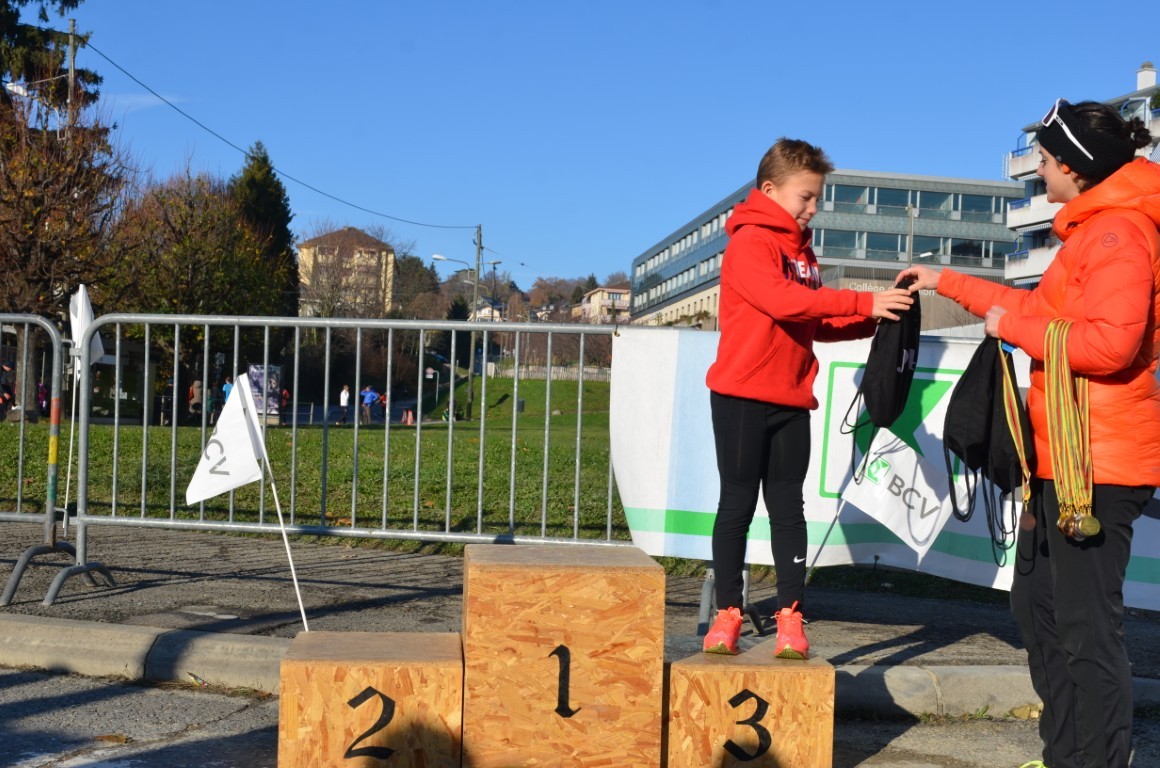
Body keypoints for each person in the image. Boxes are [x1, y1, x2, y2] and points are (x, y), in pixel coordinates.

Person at [898, 99, 1159, 768]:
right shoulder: (1093, 232)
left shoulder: (1118, 235)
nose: (1038, 172)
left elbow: (1109, 346)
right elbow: (1032, 307)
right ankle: (1065, 754)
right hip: (1064, 459)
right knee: (1038, 608)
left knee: (1085, 627)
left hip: (1096, 466)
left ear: (1075, 165)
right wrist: (946, 282)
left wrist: (1011, 329)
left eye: (1043, 160)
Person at [703, 138, 914, 659]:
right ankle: (727, 613)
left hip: (792, 398)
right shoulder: (750, 242)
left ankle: (790, 616)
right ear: (770, 190)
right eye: (806, 197)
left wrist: (876, 316)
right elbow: (782, 301)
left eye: (818, 197)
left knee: (788, 509)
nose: (814, 207)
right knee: (736, 505)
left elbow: (813, 320)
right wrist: (863, 300)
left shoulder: (803, 251)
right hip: (741, 396)